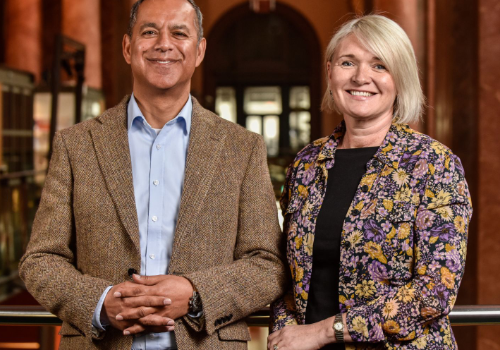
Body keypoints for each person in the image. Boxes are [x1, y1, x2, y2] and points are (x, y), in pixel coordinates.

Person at [19, 0, 286, 349]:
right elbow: (40, 260)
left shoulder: (242, 148)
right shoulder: (76, 145)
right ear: (129, 48)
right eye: (149, 32)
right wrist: (100, 301)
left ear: (199, 50)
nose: (164, 43)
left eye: (179, 33)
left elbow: (268, 264)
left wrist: (195, 294)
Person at [269, 14, 472, 350]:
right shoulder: (305, 165)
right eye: (348, 62)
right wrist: (283, 333)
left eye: (380, 65)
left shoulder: (434, 164)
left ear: (400, 78)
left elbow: (435, 290)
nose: (361, 77)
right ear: (330, 70)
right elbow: (285, 277)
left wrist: (322, 332)